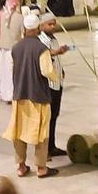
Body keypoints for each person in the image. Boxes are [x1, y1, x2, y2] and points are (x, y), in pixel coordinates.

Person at [2, 12, 59, 178]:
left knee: (19, 131)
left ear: (25, 29)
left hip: (19, 95)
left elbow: (13, 69)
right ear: (38, 28)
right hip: (38, 96)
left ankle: (21, 166)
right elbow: (47, 71)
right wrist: (57, 76)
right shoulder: (42, 49)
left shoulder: (16, 48)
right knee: (41, 132)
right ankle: (41, 168)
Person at [37, 12, 69, 159]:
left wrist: (61, 70)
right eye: (49, 24)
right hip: (47, 84)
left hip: (57, 83)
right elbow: (43, 55)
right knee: (46, 118)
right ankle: (44, 150)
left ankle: (52, 146)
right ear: (41, 26)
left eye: (54, 24)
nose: (53, 27)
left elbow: (55, 59)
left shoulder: (53, 39)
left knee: (54, 115)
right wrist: (56, 52)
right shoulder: (40, 41)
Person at [0, 0, 22, 103]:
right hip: (14, 49)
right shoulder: (20, 17)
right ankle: (10, 96)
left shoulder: (0, 15)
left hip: (2, 48)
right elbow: (23, 34)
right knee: (10, 73)